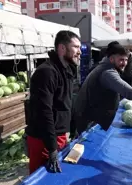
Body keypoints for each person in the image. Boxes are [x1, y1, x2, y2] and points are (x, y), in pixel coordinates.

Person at [73, 42, 132, 135]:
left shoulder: (104, 67)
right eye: (121, 60)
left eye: (126, 60)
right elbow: (127, 91)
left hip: (89, 116)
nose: (124, 63)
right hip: (89, 120)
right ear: (112, 59)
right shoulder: (107, 72)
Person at [25, 30, 81, 174]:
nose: (79, 52)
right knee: (41, 178)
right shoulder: (47, 72)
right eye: (76, 47)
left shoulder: (67, 70)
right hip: (43, 140)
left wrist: (73, 129)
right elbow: (44, 111)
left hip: (58, 137)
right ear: (62, 48)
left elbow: (67, 103)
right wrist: (52, 148)